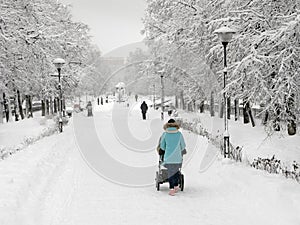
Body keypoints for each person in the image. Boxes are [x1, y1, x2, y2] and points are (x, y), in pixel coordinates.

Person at [159, 119, 186, 196]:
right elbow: (183, 146)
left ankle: (171, 188)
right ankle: (176, 185)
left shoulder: (165, 134)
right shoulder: (179, 134)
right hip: (177, 158)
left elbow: (162, 147)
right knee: (176, 171)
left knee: (170, 172)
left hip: (168, 158)